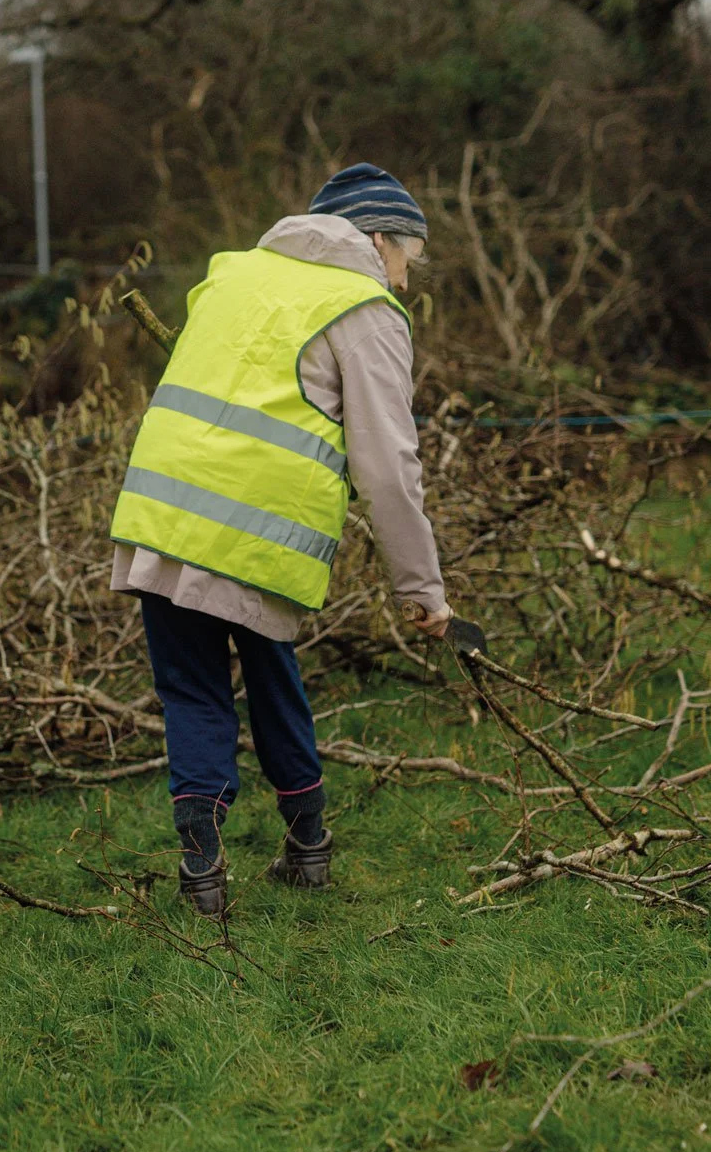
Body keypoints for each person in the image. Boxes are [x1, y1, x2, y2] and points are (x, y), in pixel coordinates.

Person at [109, 164, 456, 920]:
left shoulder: (233, 275)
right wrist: (421, 588)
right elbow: (389, 468)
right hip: (258, 528)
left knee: (191, 689)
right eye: (406, 258)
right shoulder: (363, 306)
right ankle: (308, 844)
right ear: (375, 240)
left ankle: (201, 866)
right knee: (271, 673)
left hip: (163, 508)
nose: (403, 278)